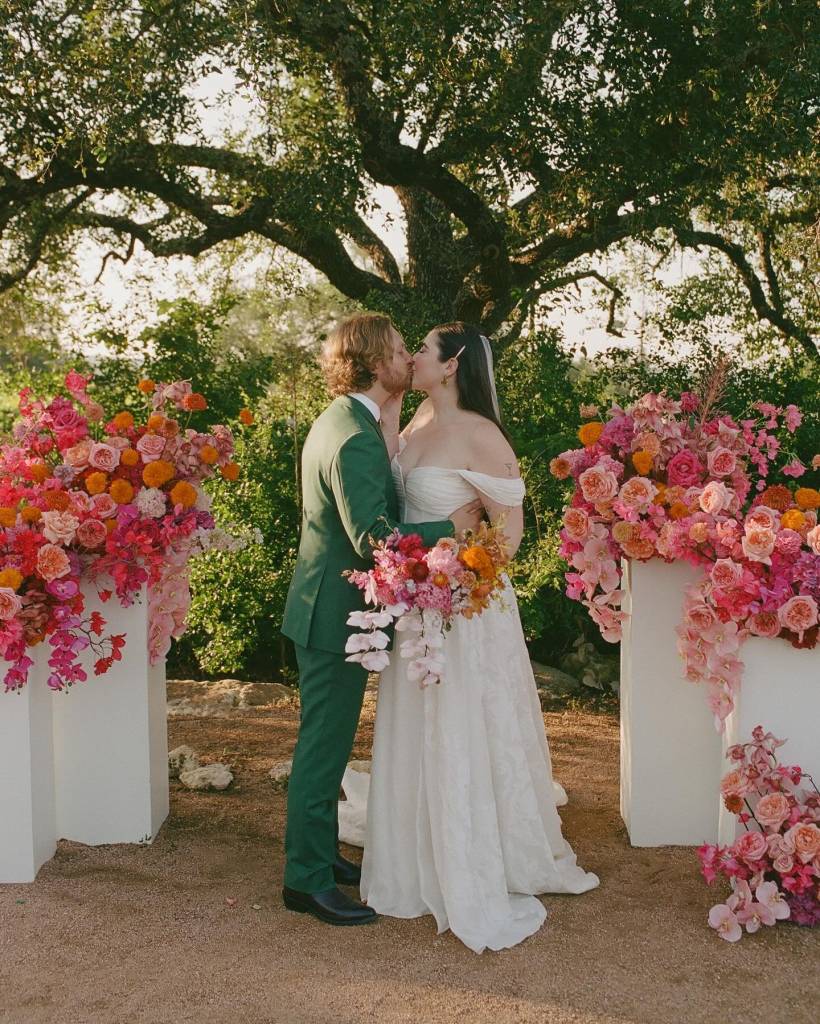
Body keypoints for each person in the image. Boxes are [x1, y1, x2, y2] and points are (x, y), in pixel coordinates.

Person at [358, 321, 600, 952]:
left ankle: (473, 846)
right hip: (414, 602)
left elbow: (510, 532)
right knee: (416, 720)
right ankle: (415, 845)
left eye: (423, 350)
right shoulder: (410, 425)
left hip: (466, 605)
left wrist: (462, 579)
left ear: (453, 363)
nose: (411, 356)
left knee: (465, 719)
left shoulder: (481, 434)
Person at [279, 313, 483, 926]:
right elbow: (376, 538)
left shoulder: (351, 422)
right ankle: (304, 880)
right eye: (398, 350)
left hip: (333, 610)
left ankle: (315, 854)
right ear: (373, 362)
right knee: (323, 747)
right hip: (330, 616)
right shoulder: (353, 437)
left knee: (331, 744)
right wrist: (453, 528)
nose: (405, 357)